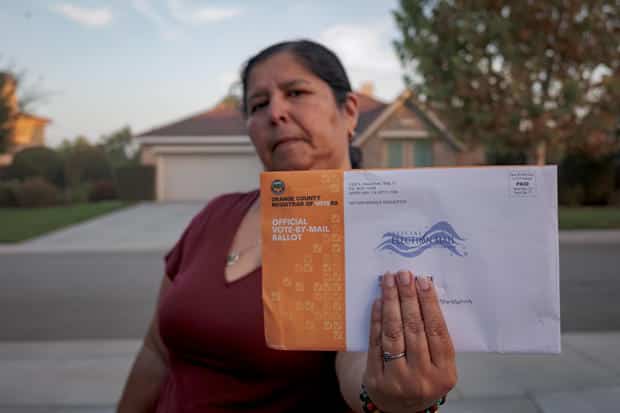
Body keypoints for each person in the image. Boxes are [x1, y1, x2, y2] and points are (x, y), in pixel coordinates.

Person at [117, 39, 457, 413]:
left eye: (296, 92)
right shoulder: (215, 216)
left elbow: (356, 364)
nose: (275, 113)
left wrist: (387, 393)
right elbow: (156, 352)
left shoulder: (380, 226)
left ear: (349, 111)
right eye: (258, 104)